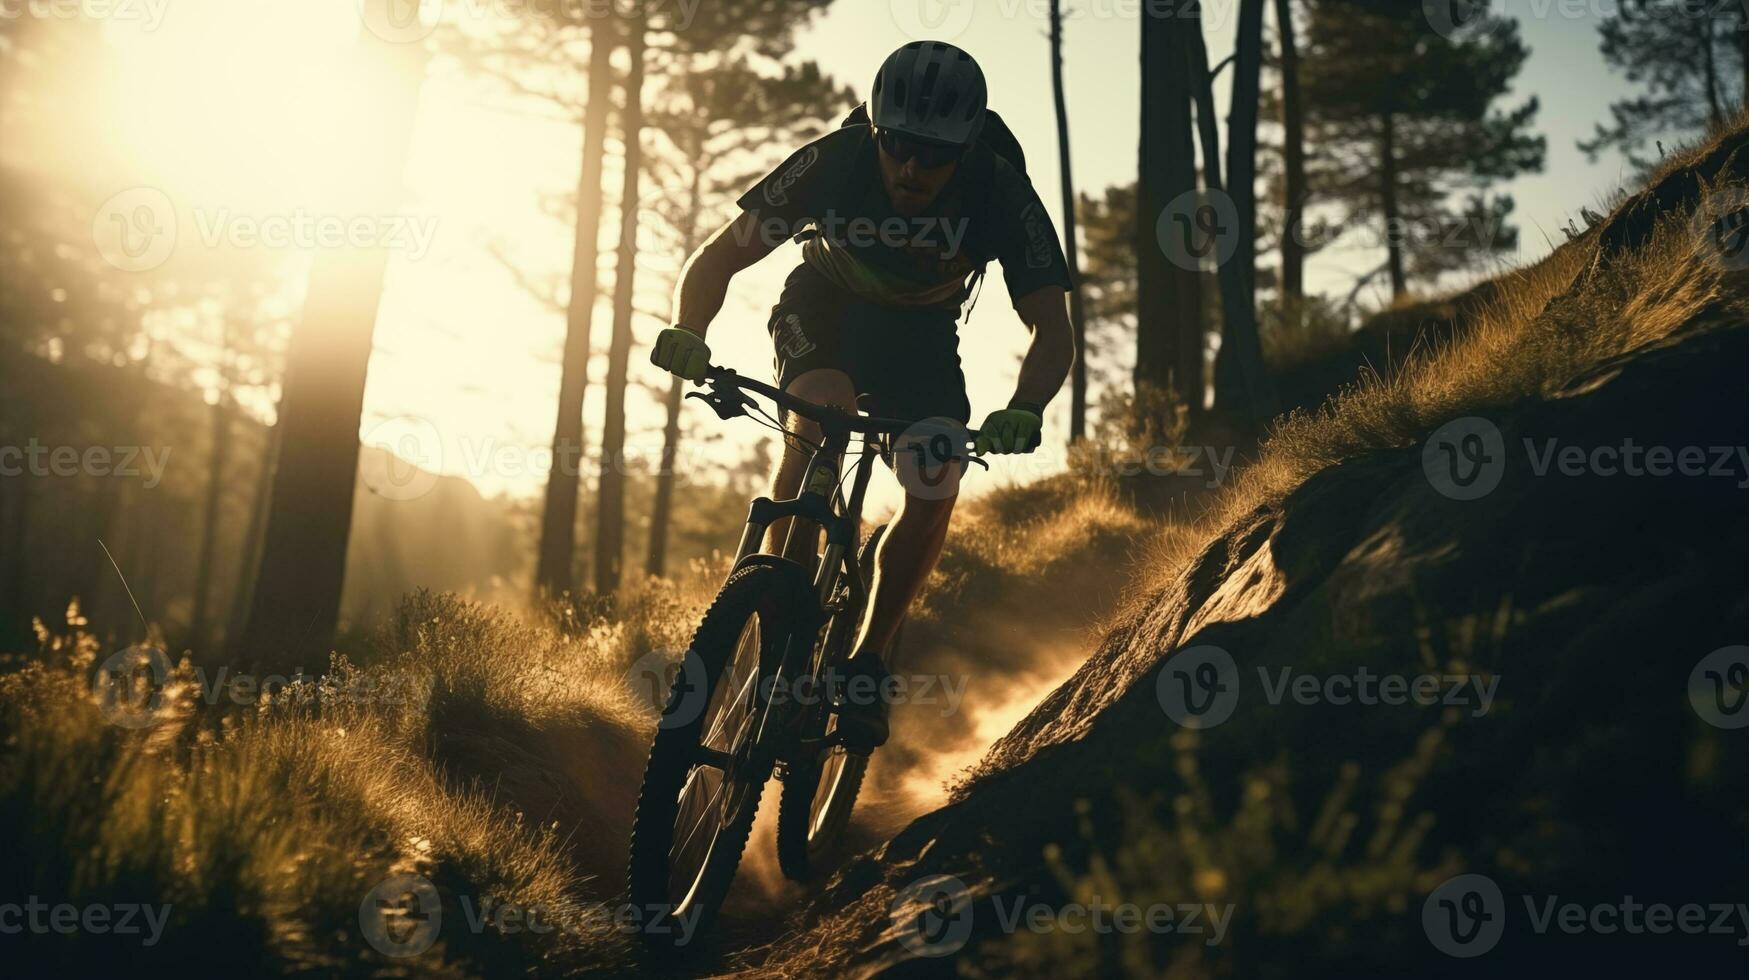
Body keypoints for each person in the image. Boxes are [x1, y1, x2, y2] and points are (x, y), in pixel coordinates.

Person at [648, 40, 1075, 748]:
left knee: (935, 478)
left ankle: (868, 660)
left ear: (965, 148)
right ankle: (779, 613)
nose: (911, 167)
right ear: (875, 130)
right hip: (824, 306)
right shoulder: (835, 158)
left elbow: (1050, 324)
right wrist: (688, 327)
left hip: (922, 335)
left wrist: (1026, 405)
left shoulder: (999, 189)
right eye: (897, 144)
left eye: (933, 155)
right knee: (821, 408)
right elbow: (723, 252)